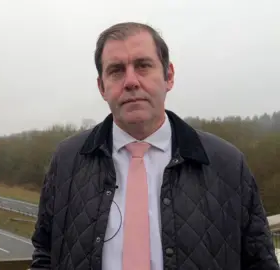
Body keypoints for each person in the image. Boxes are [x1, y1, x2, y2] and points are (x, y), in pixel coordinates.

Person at [30, 22, 280, 270]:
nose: (130, 81)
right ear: (101, 87)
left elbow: (259, 262)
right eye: (116, 70)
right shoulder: (67, 161)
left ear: (168, 76)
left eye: (143, 66)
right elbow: (45, 254)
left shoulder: (227, 164)